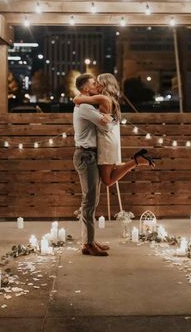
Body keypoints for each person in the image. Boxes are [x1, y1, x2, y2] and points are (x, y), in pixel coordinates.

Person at [74, 73, 155, 188]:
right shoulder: (112, 100)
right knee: (109, 176)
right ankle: (137, 160)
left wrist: (78, 97)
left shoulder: (102, 98)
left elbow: (77, 100)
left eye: (97, 82)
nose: (96, 85)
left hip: (105, 141)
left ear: (104, 84)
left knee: (107, 180)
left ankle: (137, 161)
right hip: (110, 139)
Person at [73, 73, 114, 257]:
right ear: (85, 89)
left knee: (92, 200)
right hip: (86, 155)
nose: (97, 84)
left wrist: (106, 118)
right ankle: (89, 244)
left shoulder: (86, 105)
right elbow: (106, 127)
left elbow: (105, 122)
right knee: (89, 201)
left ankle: (88, 241)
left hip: (89, 155)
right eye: (93, 83)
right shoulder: (85, 107)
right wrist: (107, 118)